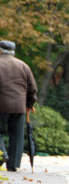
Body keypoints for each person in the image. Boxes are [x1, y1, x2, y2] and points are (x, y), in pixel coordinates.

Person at [0, 40, 37, 171]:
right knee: (16, 135)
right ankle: (14, 165)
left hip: (1, 105)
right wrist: (29, 104)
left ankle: (2, 154)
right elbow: (32, 88)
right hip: (19, 107)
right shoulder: (23, 66)